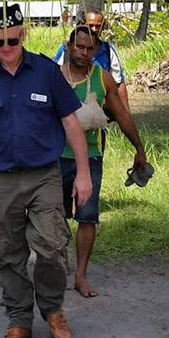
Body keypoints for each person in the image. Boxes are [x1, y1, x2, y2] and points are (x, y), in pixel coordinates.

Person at [0, 3, 92, 338]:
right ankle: (19, 320)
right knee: (7, 252)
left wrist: (82, 173)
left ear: (23, 36)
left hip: (44, 176)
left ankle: (52, 311)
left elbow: (71, 125)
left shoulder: (47, 72)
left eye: (11, 41)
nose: (4, 49)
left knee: (51, 246)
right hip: (1, 180)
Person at [59, 26, 148, 298]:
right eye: (79, 47)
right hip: (55, 158)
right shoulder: (54, 77)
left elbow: (121, 115)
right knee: (52, 216)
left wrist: (139, 148)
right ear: (69, 46)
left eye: (89, 48)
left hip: (91, 158)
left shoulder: (103, 79)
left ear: (96, 50)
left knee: (87, 217)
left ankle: (81, 274)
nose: (84, 53)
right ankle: (56, 268)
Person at [53, 10, 129, 110]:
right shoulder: (66, 49)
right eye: (91, 25)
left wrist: (125, 112)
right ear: (82, 25)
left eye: (98, 26)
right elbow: (53, 76)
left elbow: (119, 83)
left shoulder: (107, 50)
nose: (94, 29)